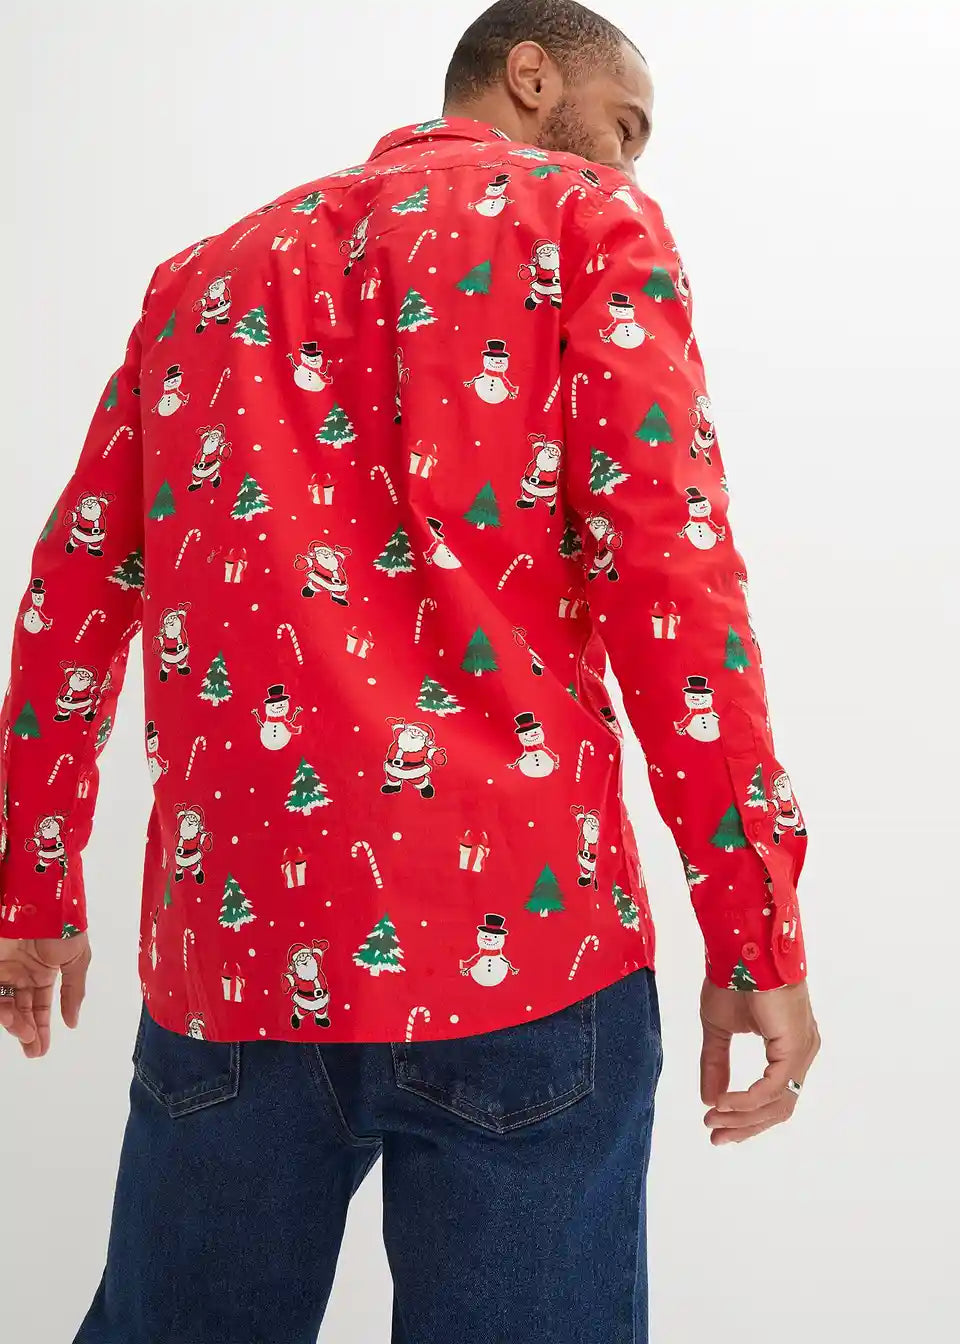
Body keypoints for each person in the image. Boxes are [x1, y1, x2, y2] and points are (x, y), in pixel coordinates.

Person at [0, 2, 820, 1340]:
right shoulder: (587, 223)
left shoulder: (202, 278)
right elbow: (673, 586)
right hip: (529, 959)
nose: (630, 161)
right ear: (530, 73)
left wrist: (34, 889)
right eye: (624, 126)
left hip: (234, 961)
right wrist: (755, 929)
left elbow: (75, 590)